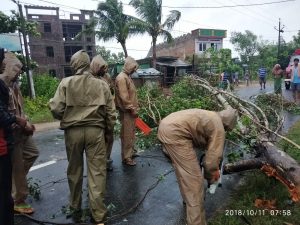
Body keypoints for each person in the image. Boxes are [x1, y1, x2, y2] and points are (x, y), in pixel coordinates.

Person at [49, 50, 116, 224]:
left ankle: (75, 207)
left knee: (74, 171)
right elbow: (110, 112)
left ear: (74, 64)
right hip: (96, 132)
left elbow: (56, 108)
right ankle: (99, 216)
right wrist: (109, 130)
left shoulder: (66, 83)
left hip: (73, 132)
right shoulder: (101, 85)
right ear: (88, 64)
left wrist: (65, 117)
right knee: (97, 173)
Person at [157, 108, 238, 225]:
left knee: (182, 170)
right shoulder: (219, 127)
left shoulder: (211, 115)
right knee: (195, 182)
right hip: (175, 134)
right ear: (228, 124)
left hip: (165, 126)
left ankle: (187, 199)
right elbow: (212, 161)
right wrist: (212, 178)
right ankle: (196, 222)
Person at [0, 52, 39, 214]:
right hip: (12, 132)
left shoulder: (14, 85)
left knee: (32, 153)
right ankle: (18, 200)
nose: (19, 73)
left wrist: (27, 122)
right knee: (17, 167)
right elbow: (5, 115)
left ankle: (13, 188)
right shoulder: (2, 85)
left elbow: (19, 108)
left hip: (21, 130)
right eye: (16, 70)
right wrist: (22, 123)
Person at [90, 55, 116, 171]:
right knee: (98, 144)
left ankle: (107, 160)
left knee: (109, 138)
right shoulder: (89, 79)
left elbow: (111, 93)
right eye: (101, 68)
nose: (104, 70)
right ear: (96, 66)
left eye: (104, 68)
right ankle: (100, 165)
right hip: (97, 118)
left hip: (107, 114)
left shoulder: (106, 78)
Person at [115, 56, 139, 166]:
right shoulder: (121, 78)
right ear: (128, 66)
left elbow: (131, 94)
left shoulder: (127, 76)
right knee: (127, 134)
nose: (135, 70)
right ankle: (126, 157)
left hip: (130, 111)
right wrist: (131, 108)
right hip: (127, 112)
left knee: (131, 133)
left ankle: (130, 152)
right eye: (134, 67)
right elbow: (124, 96)